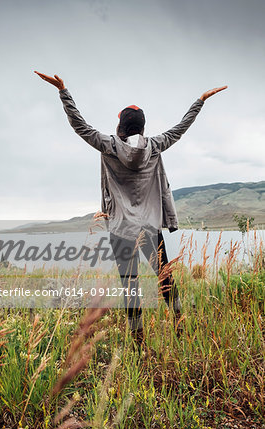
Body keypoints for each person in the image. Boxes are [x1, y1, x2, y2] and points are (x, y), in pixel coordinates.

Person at [34, 70, 227, 342]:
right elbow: (181, 128)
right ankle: (180, 325)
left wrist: (63, 91)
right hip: (149, 227)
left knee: (130, 284)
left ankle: (137, 338)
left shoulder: (108, 145)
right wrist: (200, 101)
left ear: (121, 126)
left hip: (122, 228)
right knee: (165, 276)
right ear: (142, 127)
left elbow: (80, 126)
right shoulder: (155, 145)